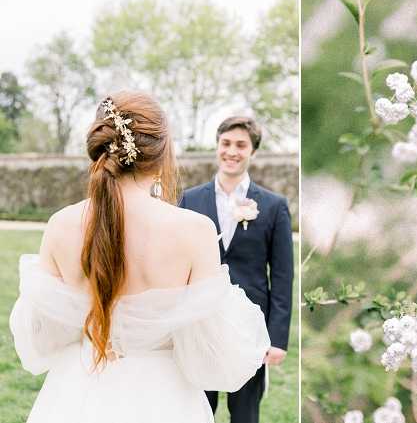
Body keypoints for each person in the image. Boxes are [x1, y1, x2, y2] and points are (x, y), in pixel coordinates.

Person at [9, 91, 270, 423]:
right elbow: (213, 356)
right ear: (162, 156)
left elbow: (39, 337)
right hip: (166, 398)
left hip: (77, 391)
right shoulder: (195, 230)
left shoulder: (61, 225)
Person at [179, 117, 294, 423]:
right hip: (200, 323)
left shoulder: (273, 205)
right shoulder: (190, 199)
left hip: (250, 328)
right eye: (226, 143)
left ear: (252, 151)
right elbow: (178, 263)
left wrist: (277, 338)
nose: (232, 151)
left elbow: (282, 276)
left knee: (245, 413)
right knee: (197, 409)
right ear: (217, 146)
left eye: (241, 145)